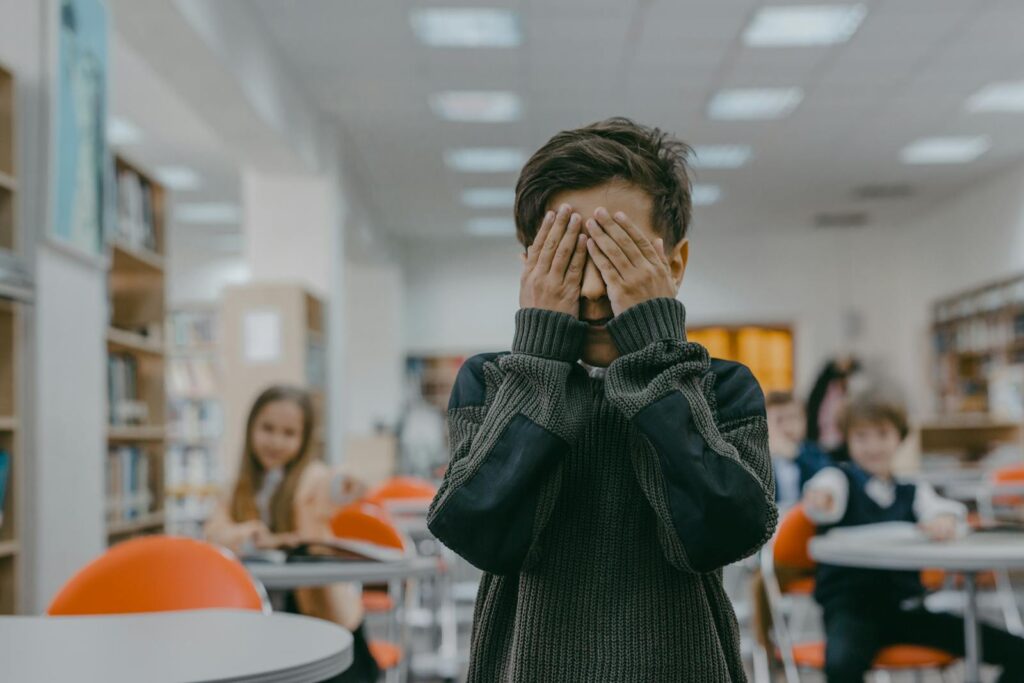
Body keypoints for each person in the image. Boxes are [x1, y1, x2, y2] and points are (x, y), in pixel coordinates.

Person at [427, 118, 778, 681]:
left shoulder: (721, 388)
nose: (592, 291)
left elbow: (725, 534)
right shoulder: (494, 383)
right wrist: (541, 361)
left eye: (616, 259)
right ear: (531, 269)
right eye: (569, 260)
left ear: (674, 265)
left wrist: (657, 354)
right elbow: (480, 533)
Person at [803, 389, 1024, 683]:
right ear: (848, 439)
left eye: (882, 434)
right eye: (862, 436)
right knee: (842, 665)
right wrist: (821, 500)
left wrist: (944, 520)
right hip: (851, 612)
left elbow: (941, 511)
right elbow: (823, 499)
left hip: (906, 609)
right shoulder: (838, 480)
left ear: (899, 437)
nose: (873, 446)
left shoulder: (912, 489)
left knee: (1017, 651)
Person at [205, 385, 379, 683]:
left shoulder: (310, 478)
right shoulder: (236, 487)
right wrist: (248, 535)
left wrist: (344, 483)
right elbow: (214, 533)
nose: (275, 441)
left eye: (289, 433)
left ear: (304, 439)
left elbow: (331, 487)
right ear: (250, 429)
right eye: (267, 428)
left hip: (318, 610)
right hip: (259, 613)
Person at [766, 390, 832, 506]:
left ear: (805, 421)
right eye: (779, 420)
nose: (788, 426)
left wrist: (797, 455)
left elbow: (828, 476)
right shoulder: (757, 456)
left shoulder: (813, 452)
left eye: (793, 418)